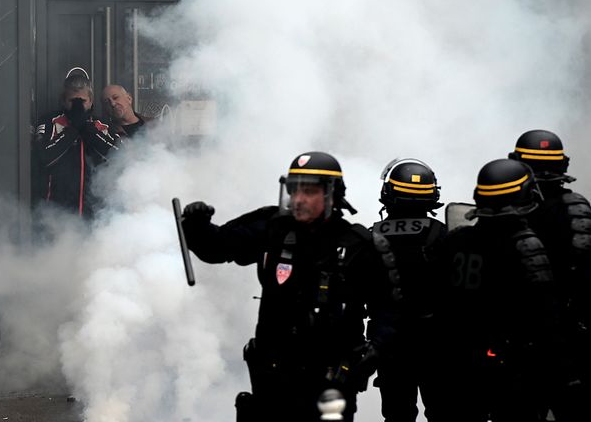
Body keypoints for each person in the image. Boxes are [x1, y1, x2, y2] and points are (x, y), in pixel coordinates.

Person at [181, 151, 399, 422]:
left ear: (331, 194)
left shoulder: (358, 245)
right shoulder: (275, 228)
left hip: (332, 382)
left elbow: (387, 307)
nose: (299, 200)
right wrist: (196, 225)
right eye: (294, 190)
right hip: (274, 378)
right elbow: (218, 247)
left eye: (308, 192)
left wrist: (373, 351)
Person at [439, 159, 559, 422]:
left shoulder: (456, 240)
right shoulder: (525, 245)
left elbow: (440, 299)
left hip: (460, 360)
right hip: (511, 364)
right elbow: (545, 314)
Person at [508, 130, 590, 421]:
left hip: (520, 331)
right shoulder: (577, 208)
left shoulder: (507, 211)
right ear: (563, 165)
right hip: (570, 330)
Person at [370, 159, 446, 422]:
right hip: (437, 344)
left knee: (397, 415)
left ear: (388, 194)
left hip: (389, 346)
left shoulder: (369, 239)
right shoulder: (445, 236)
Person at [34, 73, 122, 217]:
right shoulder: (49, 122)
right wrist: (73, 128)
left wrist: (86, 127)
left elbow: (117, 157)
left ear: (91, 101)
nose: (78, 105)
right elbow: (44, 157)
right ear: (63, 100)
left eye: (82, 100)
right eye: (72, 100)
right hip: (55, 213)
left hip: (96, 213)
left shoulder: (102, 125)